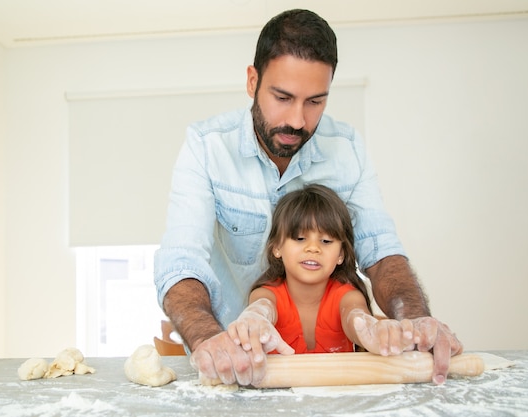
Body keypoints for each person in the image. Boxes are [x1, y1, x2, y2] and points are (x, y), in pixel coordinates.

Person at [154, 9, 462, 386]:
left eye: (315, 101)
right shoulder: (205, 147)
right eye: (283, 97)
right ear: (252, 81)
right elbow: (181, 260)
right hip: (229, 370)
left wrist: (413, 317)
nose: (298, 120)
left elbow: (379, 249)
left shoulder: (346, 149)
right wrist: (207, 338)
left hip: (328, 372)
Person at [227, 184, 416, 363]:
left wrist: (373, 331)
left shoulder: (347, 297)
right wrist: (254, 319)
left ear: (341, 254)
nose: (313, 248)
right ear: (276, 247)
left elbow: (355, 317)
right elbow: (261, 309)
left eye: (326, 241)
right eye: (300, 238)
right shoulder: (266, 295)